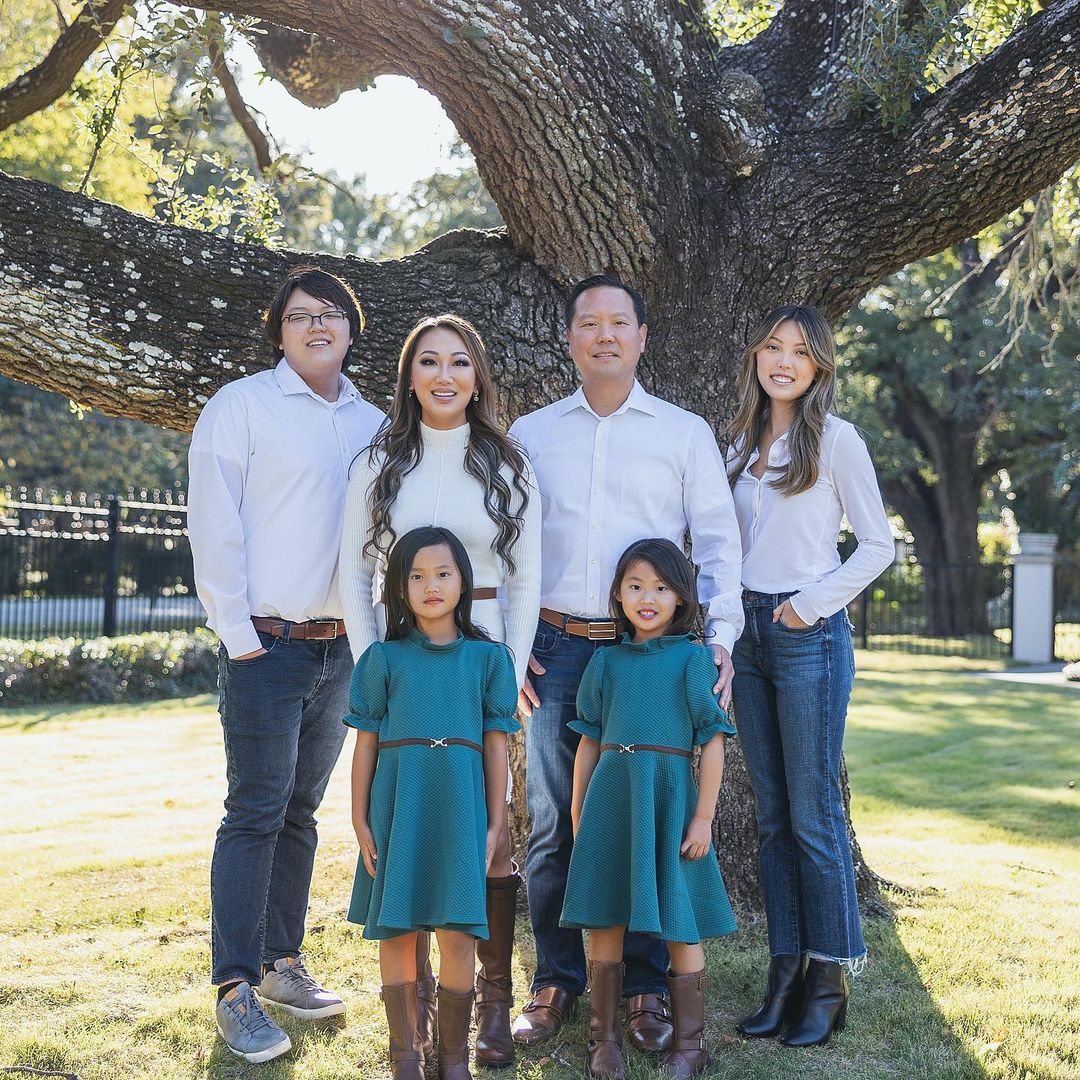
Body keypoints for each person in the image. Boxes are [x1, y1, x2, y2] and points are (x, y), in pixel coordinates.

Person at [508, 275, 743, 1053]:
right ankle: (556, 979)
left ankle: (645, 991)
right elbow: (505, 551)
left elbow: (715, 543)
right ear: (570, 337)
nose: (603, 335)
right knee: (554, 822)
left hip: (652, 656)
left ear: (643, 337)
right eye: (588, 323)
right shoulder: (532, 434)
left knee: (649, 820)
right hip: (555, 647)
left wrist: (720, 639)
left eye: (619, 323)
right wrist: (509, 650)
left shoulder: (682, 434)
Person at [187, 265, 385, 1063]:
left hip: (340, 647)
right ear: (278, 330)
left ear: (350, 328)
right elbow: (213, 523)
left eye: (331, 314)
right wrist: (238, 632)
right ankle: (234, 988)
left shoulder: (375, 420)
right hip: (266, 644)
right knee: (255, 811)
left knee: (300, 811)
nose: (317, 325)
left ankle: (281, 965)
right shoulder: (242, 406)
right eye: (301, 315)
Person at [339, 314, 540, 1067]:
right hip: (404, 666)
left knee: (487, 841)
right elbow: (352, 574)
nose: (445, 374)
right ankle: (412, 1026)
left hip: (483, 668)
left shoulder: (506, 462)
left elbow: (527, 577)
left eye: (460, 361)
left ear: (478, 375)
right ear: (409, 375)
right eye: (429, 361)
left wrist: (509, 676)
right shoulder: (381, 461)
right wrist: (380, 671)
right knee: (407, 843)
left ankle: (488, 1008)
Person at [726, 305, 892, 1047]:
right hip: (750, 641)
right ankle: (784, 974)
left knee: (814, 817)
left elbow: (878, 546)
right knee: (770, 820)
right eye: (772, 346)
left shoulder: (837, 440)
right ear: (757, 356)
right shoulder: (739, 444)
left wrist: (804, 607)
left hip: (806, 638)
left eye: (799, 351)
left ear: (820, 365)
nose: (783, 361)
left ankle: (828, 981)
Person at [346, 526, 520, 1080]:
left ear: (464, 582)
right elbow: (366, 744)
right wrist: (359, 819)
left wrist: (496, 820)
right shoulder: (381, 659)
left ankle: (452, 1060)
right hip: (397, 805)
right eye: (416, 576)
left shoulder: (489, 659)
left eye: (443, 573)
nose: (430, 586)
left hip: (461, 806)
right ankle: (406, 1060)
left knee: (458, 931)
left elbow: (497, 745)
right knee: (397, 926)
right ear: (399, 589)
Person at [561, 538, 737, 1080]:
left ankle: (690, 1044)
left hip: (670, 801)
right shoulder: (604, 662)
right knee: (607, 915)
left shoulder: (691, 660)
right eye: (635, 586)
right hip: (612, 800)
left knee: (681, 921)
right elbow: (588, 742)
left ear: (681, 599)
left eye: (661, 588)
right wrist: (577, 812)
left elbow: (712, 740)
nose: (647, 598)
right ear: (617, 593)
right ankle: (604, 1040)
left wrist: (703, 816)